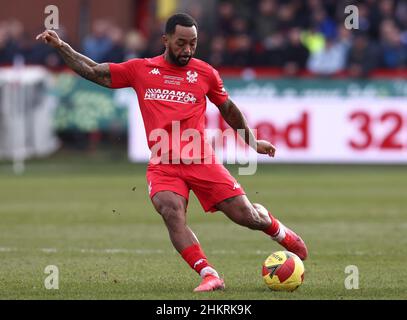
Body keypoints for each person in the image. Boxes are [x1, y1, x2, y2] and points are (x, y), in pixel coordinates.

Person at [36, 13, 308, 293]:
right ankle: (209, 274)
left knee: (246, 217)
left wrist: (252, 141)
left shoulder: (205, 73)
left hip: (201, 159)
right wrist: (61, 46)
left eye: (193, 43)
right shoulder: (141, 69)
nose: (187, 50)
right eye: (181, 43)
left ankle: (278, 230)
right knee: (170, 210)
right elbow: (94, 70)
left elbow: (227, 108)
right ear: (165, 40)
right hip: (163, 163)